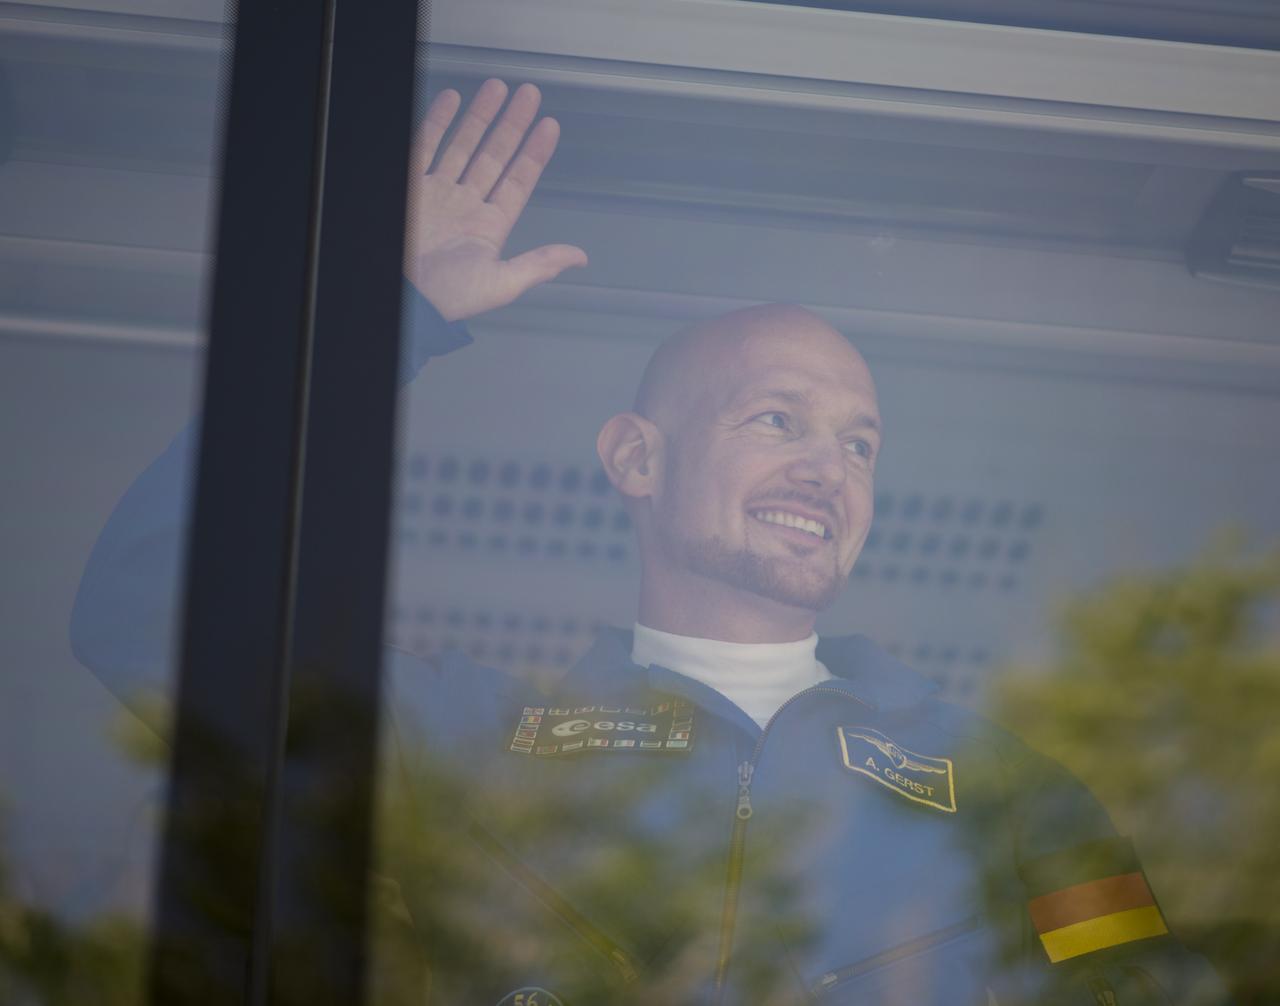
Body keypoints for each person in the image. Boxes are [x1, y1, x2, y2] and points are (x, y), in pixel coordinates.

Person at [73, 80, 1231, 1005]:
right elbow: (142, 611)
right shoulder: (467, 736)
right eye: (775, 420)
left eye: (860, 444)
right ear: (634, 459)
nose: (826, 469)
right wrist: (377, 324)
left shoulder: (1017, 788)